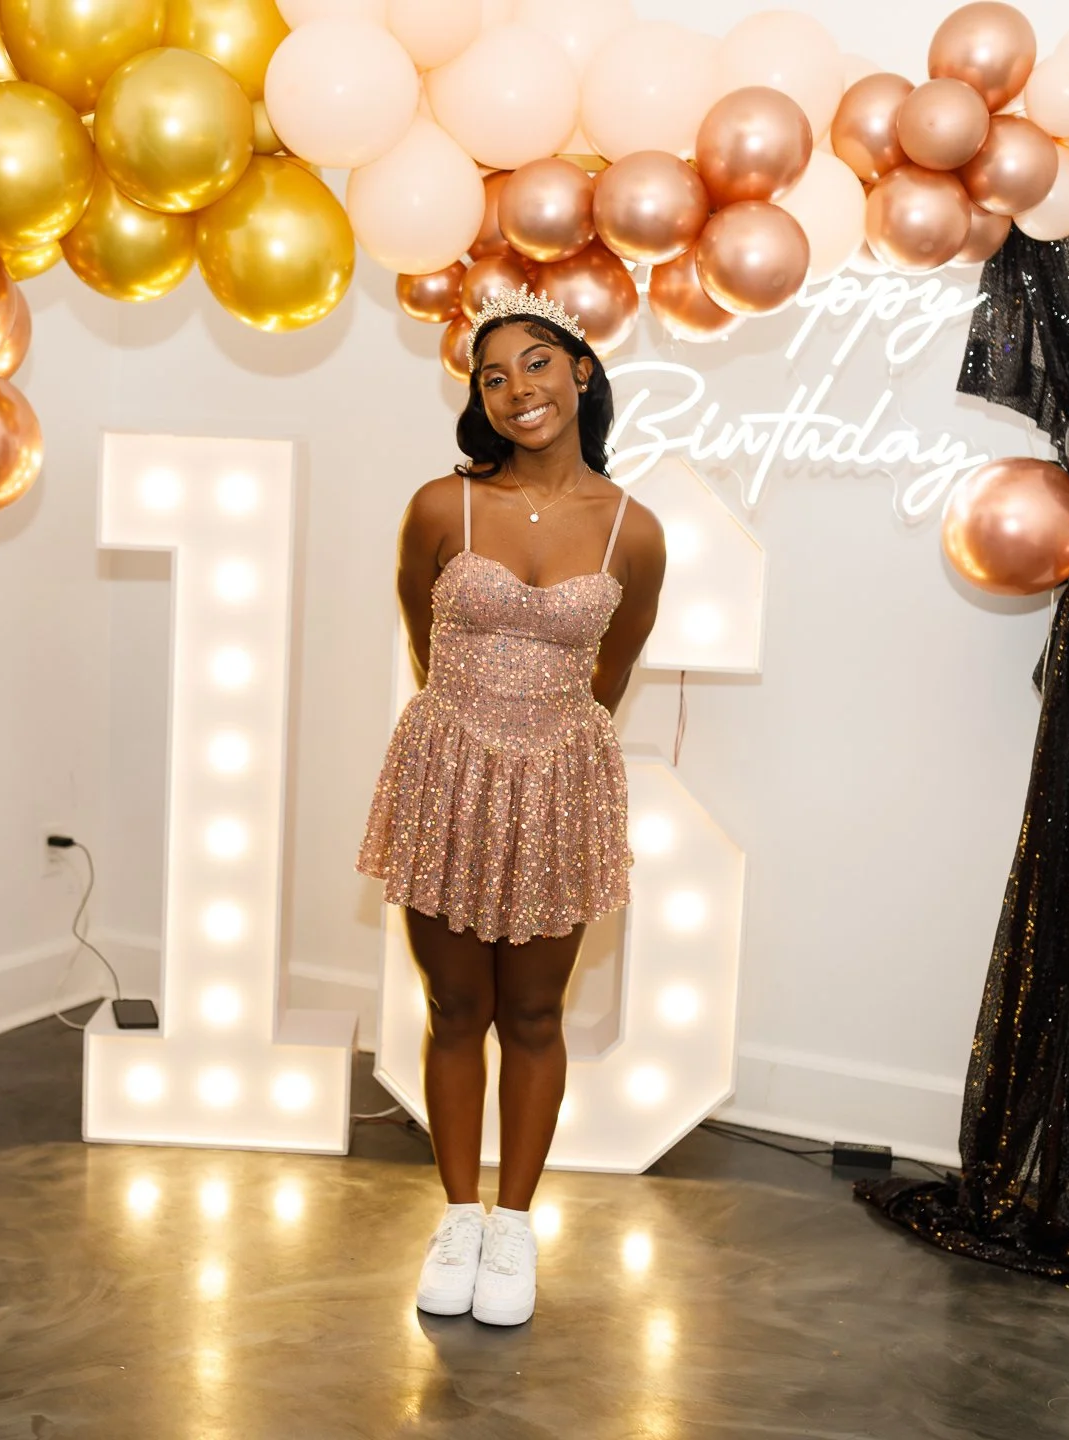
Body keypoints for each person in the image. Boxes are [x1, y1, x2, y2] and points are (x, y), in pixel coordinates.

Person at [356, 287, 666, 1327]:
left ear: (581, 372)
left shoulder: (636, 530)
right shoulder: (442, 507)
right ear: (478, 401)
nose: (516, 389)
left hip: (559, 786)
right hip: (449, 774)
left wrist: (541, 749)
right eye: (492, 377)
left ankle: (515, 1228)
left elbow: (610, 673)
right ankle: (457, 1219)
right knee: (455, 1009)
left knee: (535, 1013)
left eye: (536, 363)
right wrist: (474, 732)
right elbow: (419, 628)